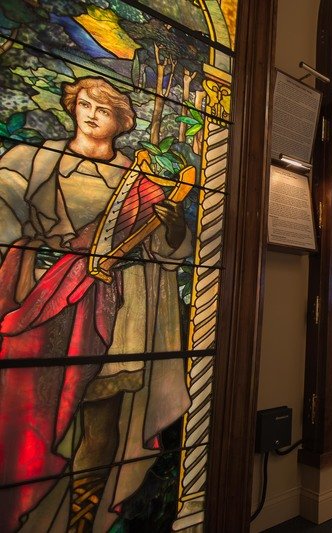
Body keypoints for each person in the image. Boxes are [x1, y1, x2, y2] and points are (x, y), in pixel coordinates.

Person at [0, 77, 192, 532]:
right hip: (39, 300)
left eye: (103, 110)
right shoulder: (34, 159)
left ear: (121, 122)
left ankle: (82, 521)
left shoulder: (138, 182)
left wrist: (172, 224)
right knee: (28, 406)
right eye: (85, 104)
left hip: (116, 310)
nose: (90, 115)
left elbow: (168, 251)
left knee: (100, 417)